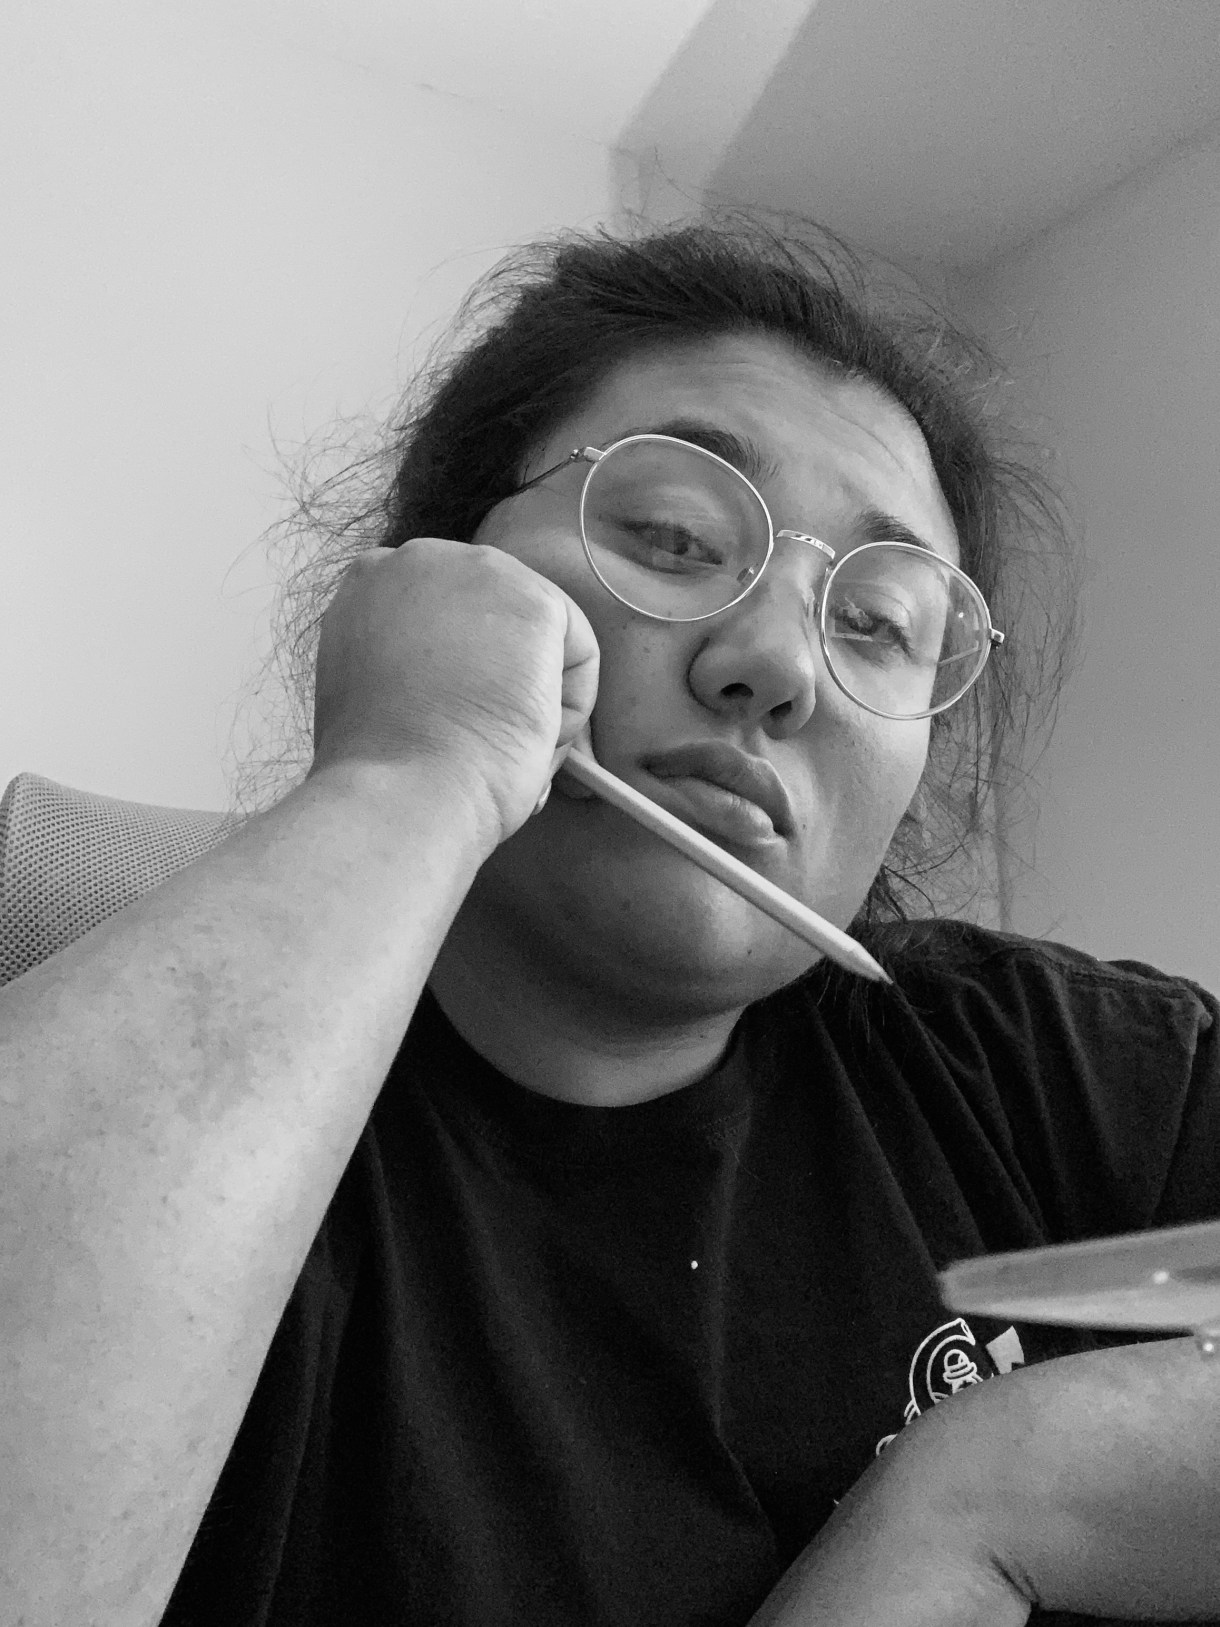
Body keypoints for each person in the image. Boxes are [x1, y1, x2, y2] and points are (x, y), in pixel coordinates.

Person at [1, 218, 1217, 1627]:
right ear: (437, 577)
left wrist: (998, 1490)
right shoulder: (172, 1087)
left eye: (881, 622)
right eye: (672, 535)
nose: (771, 662)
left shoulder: (1051, 1068)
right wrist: (412, 768)